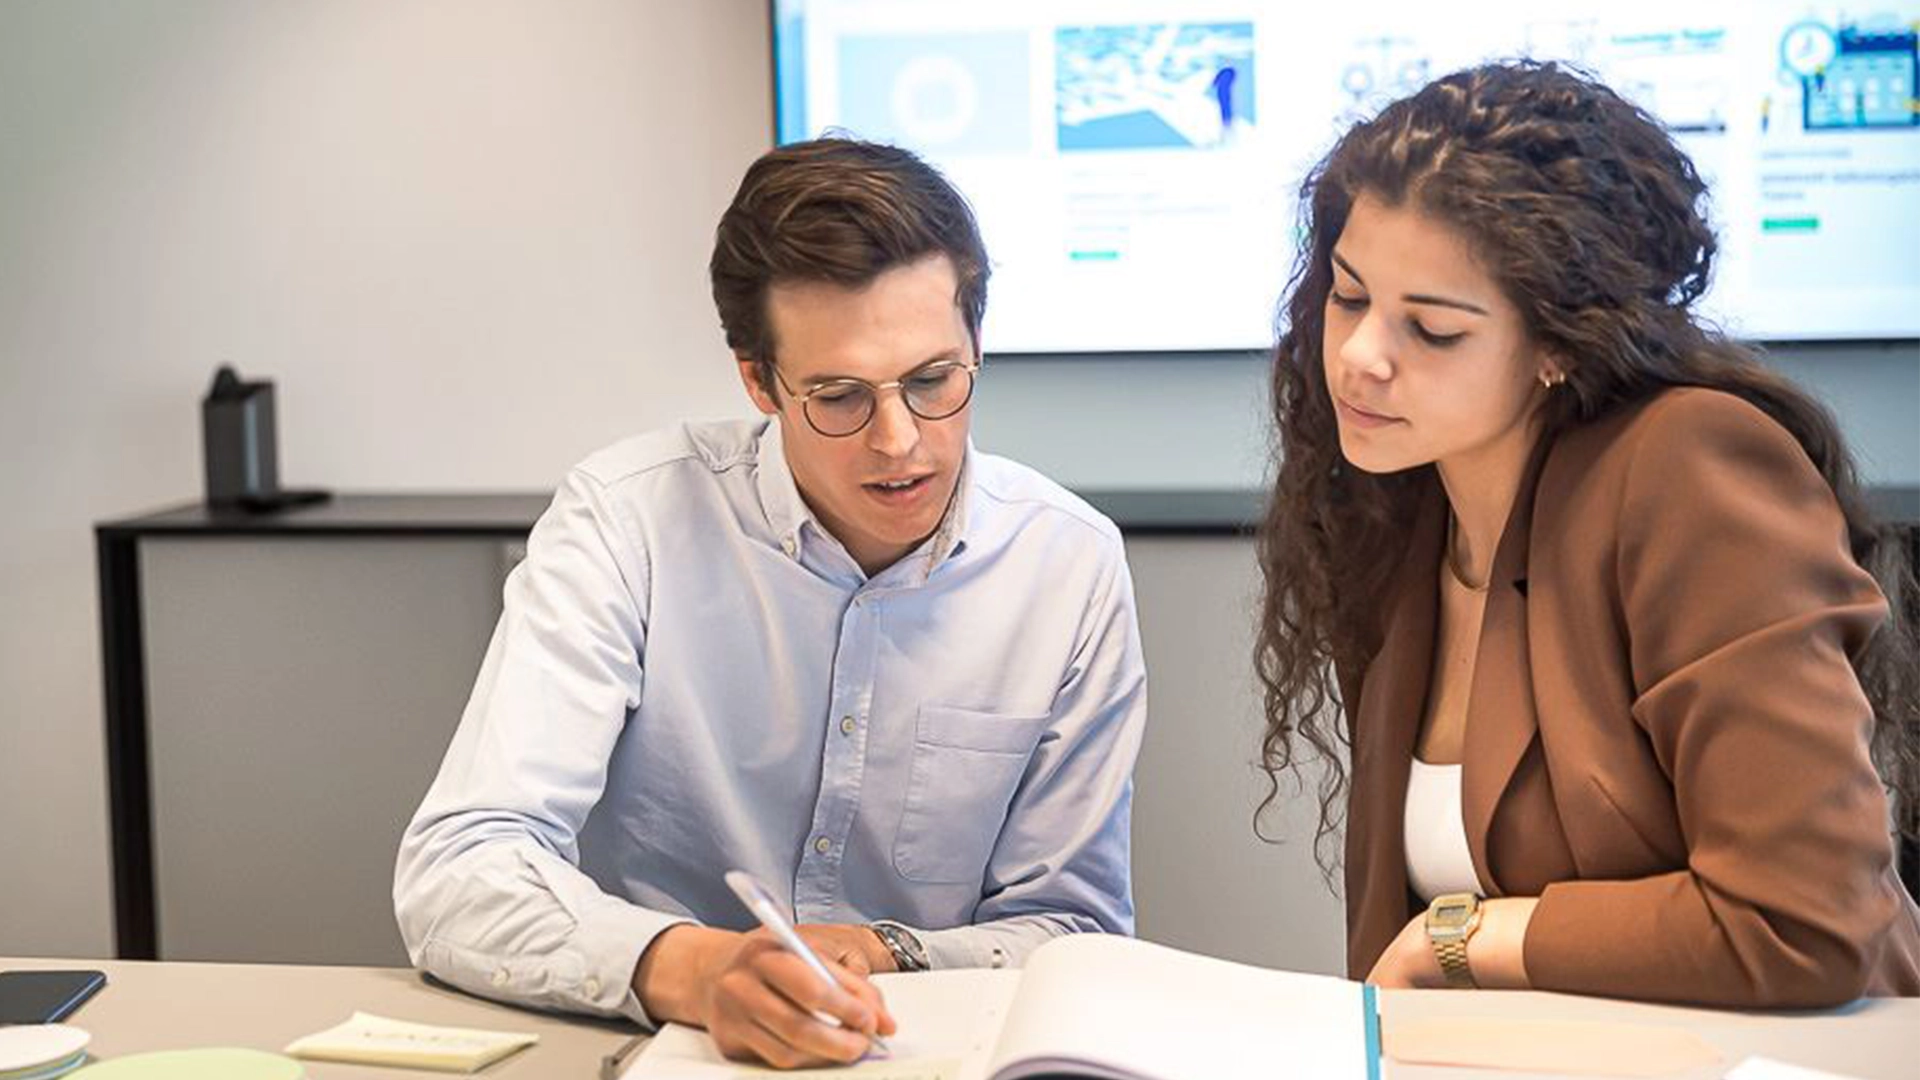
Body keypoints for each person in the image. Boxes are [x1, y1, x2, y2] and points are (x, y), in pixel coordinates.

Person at [394, 138, 1146, 1067]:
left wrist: (887, 952)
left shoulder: (1066, 565)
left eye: (933, 380)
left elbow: (1074, 929)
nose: (900, 441)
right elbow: (461, 868)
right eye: (838, 396)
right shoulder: (629, 522)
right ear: (758, 381)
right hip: (672, 1051)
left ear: (976, 346)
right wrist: (698, 970)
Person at [1253, 61, 1920, 1007]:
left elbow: (1803, 921)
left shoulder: (1686, 466)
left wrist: (1467, 934)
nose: (1360, 357)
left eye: (1433, 330)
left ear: (1559, 346)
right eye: (1350, 297)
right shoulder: (1398, 506)